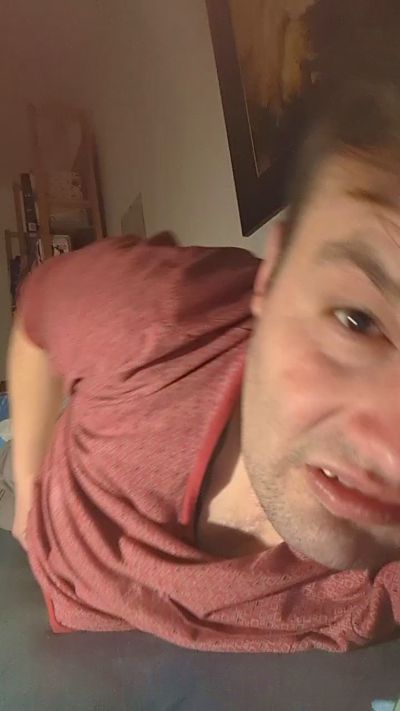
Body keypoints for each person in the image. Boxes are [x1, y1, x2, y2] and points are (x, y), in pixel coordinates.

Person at [6, 80, 400, 653]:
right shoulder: (153, 313)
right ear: (271, 277)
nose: (392, 455)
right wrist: (26, 493)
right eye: (357, 320)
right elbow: (37, 313)